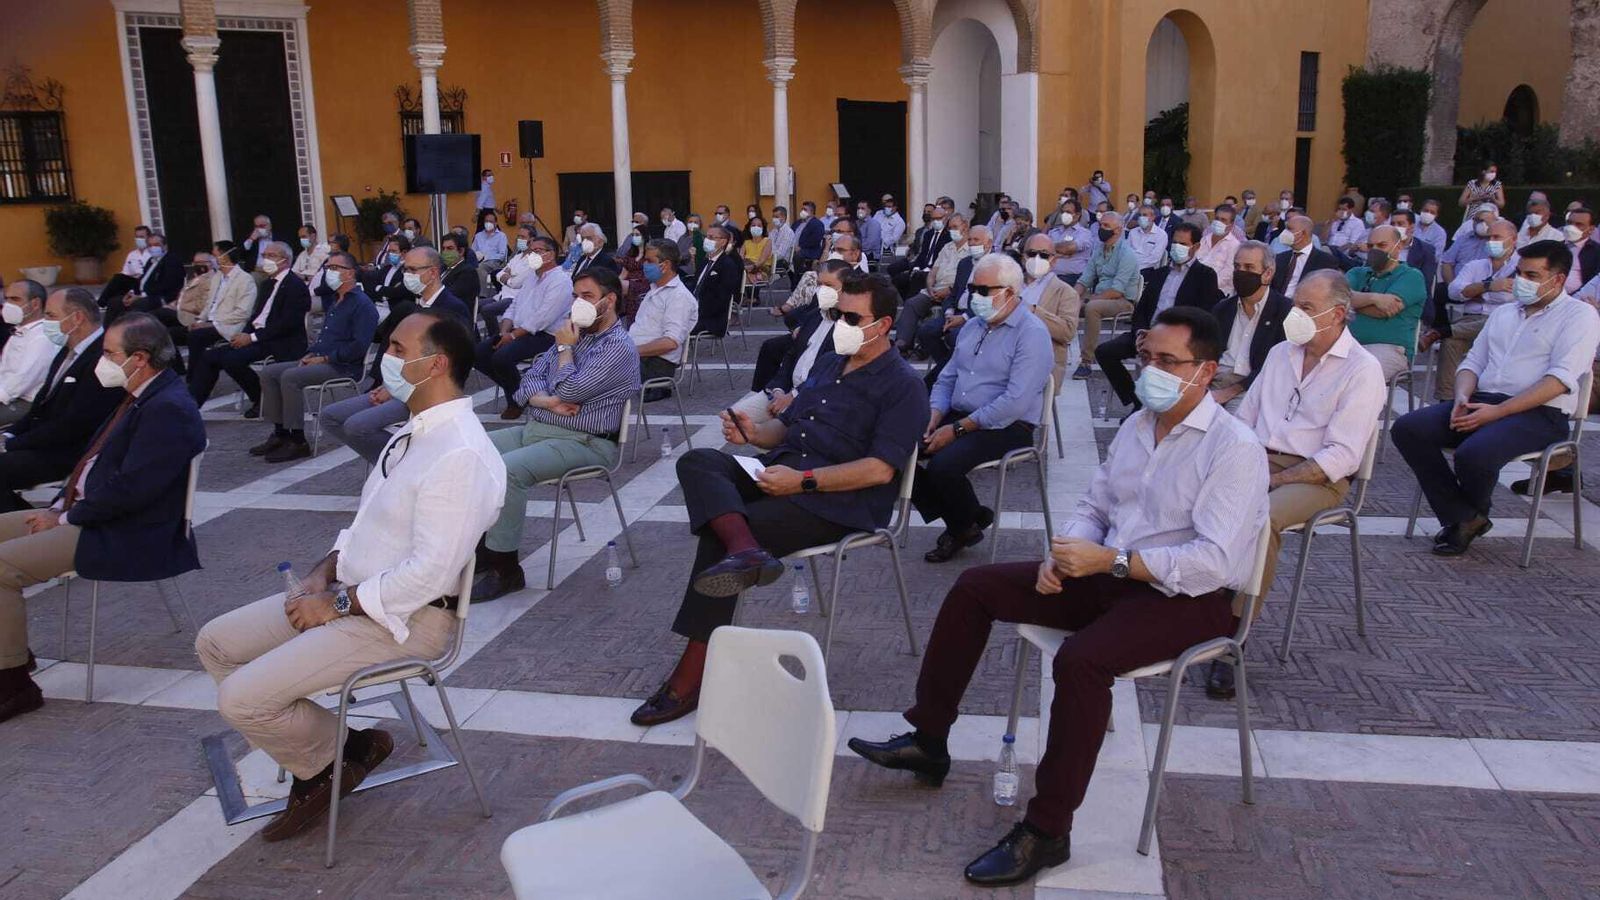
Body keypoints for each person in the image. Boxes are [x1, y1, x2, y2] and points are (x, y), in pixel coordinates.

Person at [849, 305, 1268, 887]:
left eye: (1169, 362)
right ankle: (929, 738)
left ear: (1207, 371)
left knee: (1081, 661)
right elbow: (1096, 505)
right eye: (1147, 358)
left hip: (1186, 599)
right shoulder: (1138, 425)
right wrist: (1065, 552)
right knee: (975, 587)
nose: (1153, 370)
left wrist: (1113, 561)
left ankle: (1047, 831)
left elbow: (1214, 561)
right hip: (1109, 575)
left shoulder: (1233, 447)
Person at [197, 310, 503, 842]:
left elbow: (429, 575)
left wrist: (336, 606)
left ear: (437, 364)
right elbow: (365, 525)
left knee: (241, 699)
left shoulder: (461, 454)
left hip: (405, 621)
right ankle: (338, 750)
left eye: (399, 349)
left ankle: (323, 762)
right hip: (352, 596)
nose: (386, 356)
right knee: (217, 643)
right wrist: (323, 575)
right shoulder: (411, 434)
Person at [629, 272, 926, 727]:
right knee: (699, 462)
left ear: (883, 324)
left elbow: (879, 470)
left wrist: (803, 481)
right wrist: (753, 433)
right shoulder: (830, 364)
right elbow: (786, 430)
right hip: (785, 473)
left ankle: (689, 676)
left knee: (718, 534)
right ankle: (746, 550)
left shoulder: (903, 385)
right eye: (835, 313)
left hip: (839, 502)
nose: (840, 323)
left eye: (851, 317)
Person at [0, 311, 205, 724]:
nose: (102, 361)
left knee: (1, 567)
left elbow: (132, 490)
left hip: (124, 530)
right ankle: (12, 648)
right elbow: (91, 464)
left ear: (140, 358)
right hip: (90, 513)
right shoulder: (140, 394)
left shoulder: (167, 407)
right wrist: (59, 507)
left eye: (110, 353)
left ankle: (14, 683)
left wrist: (65, 518)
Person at [1207, 270, 1385, 696]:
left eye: (1306, 308)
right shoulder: (1281, 354)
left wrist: (1275, 478)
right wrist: (1235, 462)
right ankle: (1191, 606)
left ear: (1337, 314)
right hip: (1261, 459)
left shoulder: (1362, 369)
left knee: (1260, 516)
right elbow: (1245, 419)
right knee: (1192, 491)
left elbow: (1341, 456)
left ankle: (1234, 635)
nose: (1295, 315)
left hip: (1317, 478)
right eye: (1295, 304)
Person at [1392, 241, 1600, 555]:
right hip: (1482, 399)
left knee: (1473, 454)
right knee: (1407, 428)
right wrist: (1462, 396)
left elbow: (1559, 380)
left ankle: (1464, 520)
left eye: (1532, 274)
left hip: (1540, 413)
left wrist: (1498, 412)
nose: (1521, 281)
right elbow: (1473, 362)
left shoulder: (1579, 316)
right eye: (1519, 272)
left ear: (1557, 279)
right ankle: (1465, 517)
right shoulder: (1505, 313)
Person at [472, 269, 642, 601]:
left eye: (588, 297)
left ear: (610, 301)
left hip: (585, 442)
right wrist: (546, 399)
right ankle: (482, 549)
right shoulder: (571, 333)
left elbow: (571, 389)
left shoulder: (619, 346)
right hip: (537, 429)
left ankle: (505, 569)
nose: (578, 303)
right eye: (576, 296)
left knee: (507, 471)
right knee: (470, 454)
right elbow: (526, 382)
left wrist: (564, 353)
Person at [913, 254, 1053, 562]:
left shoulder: (1032, 334)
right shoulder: (973, 327)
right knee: (896, 447)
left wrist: (957, 429)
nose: (975, 296)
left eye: (983, 290)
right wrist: (934, 414)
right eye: (973, 288)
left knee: (943, 465)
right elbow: (947, 377)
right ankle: (966, 520)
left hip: (1008, 425)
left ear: (1010, 292)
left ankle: (961, 524)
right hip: (960, 414)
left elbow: (1014, 402)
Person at [319, 248, 470, 464]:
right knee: (330, 416)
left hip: (428, 393)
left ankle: (404, 465)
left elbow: (453, 366)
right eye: (405, 269)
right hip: (399, 386)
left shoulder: (451, 308)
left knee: (357, 426)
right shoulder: (412, 308)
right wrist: (389, 384)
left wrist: (397, 389)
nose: (406, 275)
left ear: (433, 273)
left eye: (412, 269)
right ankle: (396, 462)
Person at [250, 253, 379, 463]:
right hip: (320, 358)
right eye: (328, 267)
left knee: (290, 377)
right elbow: (326, 337)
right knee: (270, 372)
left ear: (350, 273)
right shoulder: (336, 300)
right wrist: (312, 352)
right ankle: (280, 432)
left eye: (335, 268)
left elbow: (359, 346)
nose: (330, 272)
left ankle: (297, 439)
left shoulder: (362, 305)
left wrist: (325, 358)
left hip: (342, 366)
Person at [1094, 224, 1221, 408]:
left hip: (1178, 340)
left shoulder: (1205, 275)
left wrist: (1171, 337)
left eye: (1183, 244)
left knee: (1166, 364)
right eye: (1175, 242)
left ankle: (1163, 404)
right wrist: (1140, 332)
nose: (1177, 247)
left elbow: (1202, 315)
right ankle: (1137, 401)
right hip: (1147, 334)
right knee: (1104, 352)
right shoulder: (1160, 274)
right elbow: (1142, 308)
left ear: (1196, 247)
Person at [187, 241, 311, 417]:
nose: (266, 259)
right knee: (210, 356)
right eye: (265, 256)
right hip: (258, 336)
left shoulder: (295, 286)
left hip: (280, 341)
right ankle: (191, 406)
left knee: (232, 359)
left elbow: (286, 324)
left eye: (271, 256)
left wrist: (252, 338)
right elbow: (257, 316)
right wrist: (245, 333)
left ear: (285, 260)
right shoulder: (267, 285)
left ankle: (261, 397)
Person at [732, 260, 849, 426]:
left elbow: (831, 374)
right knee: (733, 419)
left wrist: (793, 396)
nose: (822, 290)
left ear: (846, 288)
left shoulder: (850, 327)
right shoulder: (815, 316)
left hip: (813, 399)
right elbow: (791, 356)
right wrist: (779, 390)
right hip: (784, 391)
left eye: (829, 285)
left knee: (768, 432)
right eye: (819, 284)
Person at [476, 237, 570, 419]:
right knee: (478, 353)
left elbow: (542, 318)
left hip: (545, 336)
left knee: (501, 357)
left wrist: (512, 337)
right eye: (530, 251)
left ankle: (516, 401)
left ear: (550, 255)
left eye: (537, 251)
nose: (531, 255)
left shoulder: (560, 280)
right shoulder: (531, 278)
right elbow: (514, 306)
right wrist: (504, 331)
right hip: (518, 331)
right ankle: (519, 390)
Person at [1437, 218, 1520, 400]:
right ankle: (1448, 400)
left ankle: (1442, 331)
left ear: (1513, 240)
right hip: (1470, 322)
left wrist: (1473, 291)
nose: (1491, 242)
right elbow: (1454, 292)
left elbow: (1515, 299)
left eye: (1497, 237)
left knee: (1493, 321)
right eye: (1489, 238)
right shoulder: (1475, 266)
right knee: (1451, 343)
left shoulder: (1522, 267)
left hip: (1506, 323)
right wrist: (1489, 286)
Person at [1210, 242, 1292, 409]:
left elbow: (1279, 367)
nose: (1241, 273)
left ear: (1268, 274)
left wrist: (1233, 390)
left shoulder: (1285, 311)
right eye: (1237, 266)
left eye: (1249, 267)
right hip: (1215, 381)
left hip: (1253, 388)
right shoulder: (1223, 308)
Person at [1346, 225, 1427, 384]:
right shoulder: (1357, 273)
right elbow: (1336, 297)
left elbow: (1383, 311)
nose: (1375, 251)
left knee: (1358, 379)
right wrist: (1375, 298)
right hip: (1350, 345)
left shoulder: (1411, 276)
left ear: (1399, 246)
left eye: (1382, 245)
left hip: (1390, 350)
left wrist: (1351, 303)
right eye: (1370, 246)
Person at [1073, 211, 1143, 380]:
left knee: (1092, 307)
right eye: (1101, 225)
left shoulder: (1127, 254)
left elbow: (1116, 290)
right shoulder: (1099, 249)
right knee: (1065, 301)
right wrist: (1073, 296)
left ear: (1118, 230)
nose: (1101, 229)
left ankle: (1086, 361)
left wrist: (1088, 300)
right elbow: (1085, 278)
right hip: (1100, 295)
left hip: (1123, 300)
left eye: (1106, 226)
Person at [894, 216, 971, 355]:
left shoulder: (971, 249)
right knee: (912, 303)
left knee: (941, 315)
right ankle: (903, 343)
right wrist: (930, 288)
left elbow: (966, 280)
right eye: (950, 228)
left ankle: (925, 349)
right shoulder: (947, 247)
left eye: (955, 227)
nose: (952, 230)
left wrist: (948, 291)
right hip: (934, 290)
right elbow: (932, 273)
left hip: (953, 293)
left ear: (965, 226)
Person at [631, 240, 699, 395]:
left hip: (654, 364)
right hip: (639, 359)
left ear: (665, 265)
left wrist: (630, 351)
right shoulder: (654, 289)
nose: (645, 265)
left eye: (649, 261)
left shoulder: (679, 297)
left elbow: (670, 342)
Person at [1016, 232, 1081, 387]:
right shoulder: (1010, 284)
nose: (1037, 259)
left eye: (1044, 255)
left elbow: (1067, 332)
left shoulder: (1065, 292)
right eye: (1032, 253)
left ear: (1053, 260)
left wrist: (1031, 310)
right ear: (1023, 257)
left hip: (1039, 364)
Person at [184, 243, 258, 371]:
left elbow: (242, 313)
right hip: (209, 322)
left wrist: (212, 324)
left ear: (225, 257)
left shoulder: (245, 279)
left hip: (228, 325)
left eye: (214, 255)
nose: (212, 259)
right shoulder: (217, 277)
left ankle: (192, 377)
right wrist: (200, 321)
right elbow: (209, 305)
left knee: (195, 336)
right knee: (173, 332)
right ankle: (180, 372)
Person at [0, 281, 55, 426]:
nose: (8, 304)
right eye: (6, 299)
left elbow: (21, 380)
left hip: (26, 402)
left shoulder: (43, 336)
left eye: (15, 299)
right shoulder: (19, 331)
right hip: (9, 396)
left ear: (35, 304)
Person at [106, 231, 183, 326]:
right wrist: (131, 293)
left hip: (159, 297)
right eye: (150, 245)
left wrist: (142, 296)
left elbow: (167, 285)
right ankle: (108, 333)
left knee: (138, 305)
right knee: (114, 302)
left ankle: (130, 334)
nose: (153, 248)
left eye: (156, 245)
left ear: (165, 246)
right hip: (143, 294)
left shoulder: (172, 261)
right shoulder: (151, 261)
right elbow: (142, 281)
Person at [689, 225, 742, 338]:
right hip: (692, 310)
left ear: (723, 242)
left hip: (710, 319)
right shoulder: (705, 262)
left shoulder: (728, 265)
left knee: (676, 328)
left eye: (711, 237)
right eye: (706, 237)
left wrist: (696, 311)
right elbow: (695, 286)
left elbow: (722, 298)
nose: (707, 240)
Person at [1271, 215, 1339, 300]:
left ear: (1303, 234)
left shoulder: (1326, 261)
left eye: (1289, 229)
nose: (1285, 232)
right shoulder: (1280, 258)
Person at [97, 224, 152, 309]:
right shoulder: (132, 254)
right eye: (137, 237)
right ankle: (102, 303)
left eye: (142, 237)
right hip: (132, 281)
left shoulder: (152, 254)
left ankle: (103, 303)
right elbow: (126, 272)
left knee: (121, 280)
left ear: (149, 237)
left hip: (146, 281)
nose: (139, 239)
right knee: (118, 278)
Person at [1194, 205, 1242, 295]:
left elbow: (1228, 275)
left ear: (1231, 226)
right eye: (1217, 219)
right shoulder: (1204, 239)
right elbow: (1194, 261)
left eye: (1223, 220)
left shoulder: (1235, 245)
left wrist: (1203, 284)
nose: (1218, 222)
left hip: (1218, 291)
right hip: (1195, 285)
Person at [1048, 200, 1096, 286]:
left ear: (1077, 215)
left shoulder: (1084, 233)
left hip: (1072, 278)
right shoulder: (1053, 232)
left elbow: (1069, 248)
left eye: (1068, 212)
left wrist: (1053, 249)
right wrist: (1063, 253)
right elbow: (1045, 250)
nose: (1064, 215)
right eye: (1062, 212)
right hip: (1051, 275)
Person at [1124, 203, 1170, 276]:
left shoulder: (1161, 235)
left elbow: (1154, 259)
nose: (1141, 217)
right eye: (1140, 215)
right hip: (1128, 267)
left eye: (1144, 215)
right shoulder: (1133, 232)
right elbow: (1126, 252)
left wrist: (1135, 266)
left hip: (1147, 269)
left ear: (1153, 217)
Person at [438, 232, 481, 305]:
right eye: (443, 248)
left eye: (449, 248)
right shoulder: (443, 268)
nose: (445, 252)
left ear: (461, 251)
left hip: (453, 312)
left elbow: (450, 296)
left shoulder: (468, 272)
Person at [473, 211, 509, 297]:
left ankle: (482, 295)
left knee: (481, 268)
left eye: (491, 221)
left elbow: (502, 254)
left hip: (494, 261)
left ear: (496, 223)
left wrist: (486, 257)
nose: (488, 223)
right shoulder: (478, 236)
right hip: (478, 260)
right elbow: (473, 251)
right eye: (486, 221)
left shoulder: (501, 236)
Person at [1564, 207, 1599, 293]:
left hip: (1579, 299)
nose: (1571, 227)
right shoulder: (1554, 247)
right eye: (1569, 223)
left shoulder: (1596, 252)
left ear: (1591, 229)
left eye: (1579, 224)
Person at [741, 215, 773, 285]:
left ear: (763, 228)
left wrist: (752, 267)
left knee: (743, 278)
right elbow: (740, 258)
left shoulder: (767, 241)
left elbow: (762, 261)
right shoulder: (746, 242)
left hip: (762, 268)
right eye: (753, 225)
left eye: (759, 226)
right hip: (746, 267)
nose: (756, 227)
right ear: (749, 228)